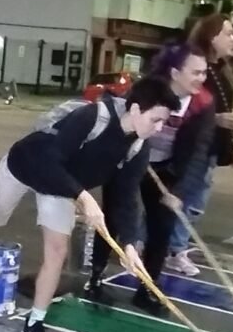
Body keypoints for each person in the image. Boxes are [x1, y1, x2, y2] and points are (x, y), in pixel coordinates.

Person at [0, 77, 177, 332]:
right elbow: (51, 159)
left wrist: (130, 245)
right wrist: (84, 198)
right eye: (156, 120)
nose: (158, 129)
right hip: (27, 164)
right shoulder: (93, 116)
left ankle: (34, 323)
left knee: (57, 252)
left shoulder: (138, 148)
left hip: (64, 187)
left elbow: (125, 198)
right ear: (135, 110)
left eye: (163, 122)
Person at [85, 45, 215, 314]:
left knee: (162, 227)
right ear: (176, 72)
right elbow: (123, 125)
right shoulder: (149, 90)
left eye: (205, 72)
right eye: (196, 72)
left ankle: (148, 289)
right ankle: (95, 279)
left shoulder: (203, 104)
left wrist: (178, 191)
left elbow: (198, 153)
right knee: (113, 217)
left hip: (167, 169)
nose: (202, 78)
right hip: (129, 159)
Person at [163, 14, 233, 277]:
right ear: (211, 36)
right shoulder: (195, 69)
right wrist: (216, 119)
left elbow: (225, 111)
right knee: (186, 201)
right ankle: (175, 249)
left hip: (210, 146)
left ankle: (170, 246)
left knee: (191, 202)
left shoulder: (221, 71)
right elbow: (187, 107)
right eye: (228, 33)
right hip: (192, 146)